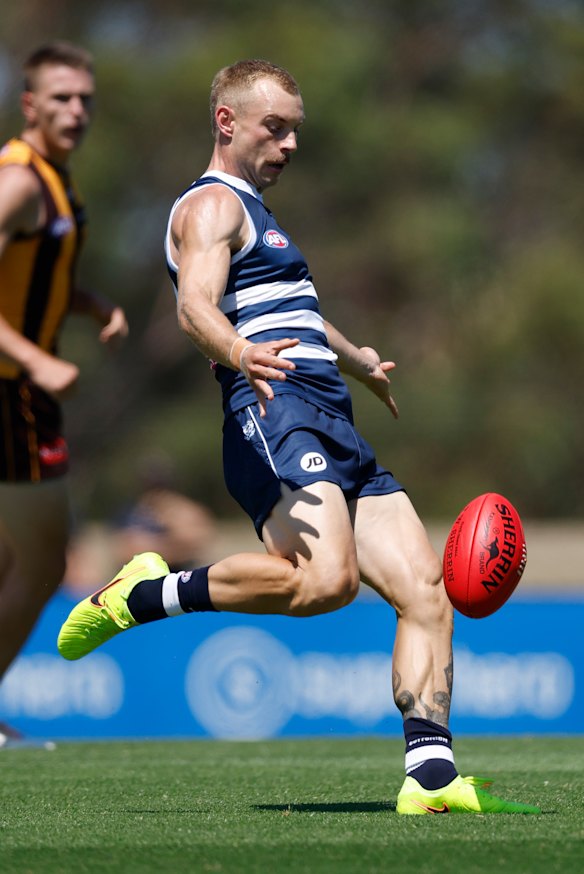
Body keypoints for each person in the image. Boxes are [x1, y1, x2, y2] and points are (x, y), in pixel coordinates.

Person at [58, 60, 539, 815]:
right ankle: (145, 594)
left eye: (294, 131)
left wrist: (359, 361)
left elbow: (297, 311)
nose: (287, 144)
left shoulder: (261, 217)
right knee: (326, 584)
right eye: (274, 127)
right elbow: (194, 307)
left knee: (424, 592)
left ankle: (432, 780)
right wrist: (239, 352)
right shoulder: (211, 207)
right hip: (274, 409)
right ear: (227, 121)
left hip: (331, 414)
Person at [0, 41, 128, 743]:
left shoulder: (53, 179)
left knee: (13, 558)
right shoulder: (18, 182)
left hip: (21, 389)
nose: (76, 111)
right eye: (60, 99)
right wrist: (35, 362)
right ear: (29, 105)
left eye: (84, 99)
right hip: (10, 391)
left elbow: (30, 277)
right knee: (45, 558)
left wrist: (88, 304)